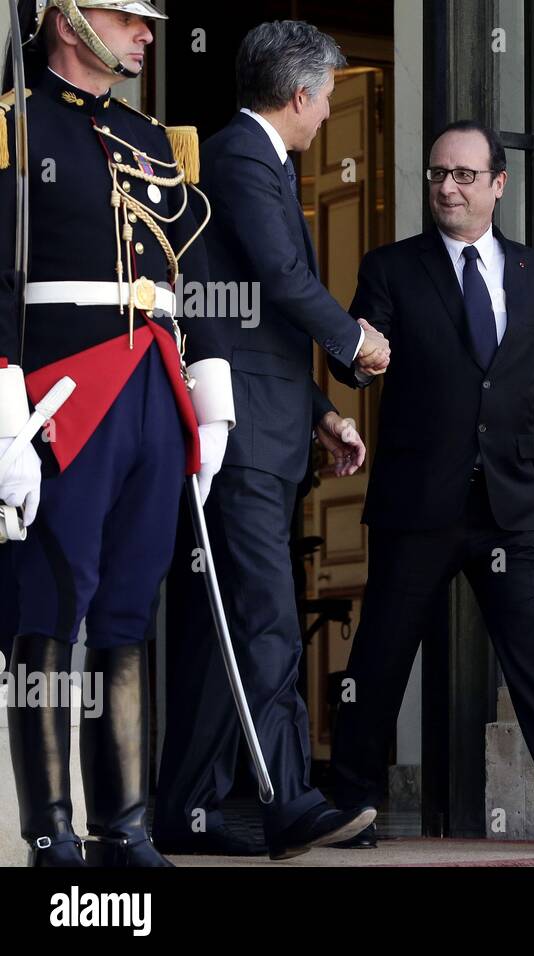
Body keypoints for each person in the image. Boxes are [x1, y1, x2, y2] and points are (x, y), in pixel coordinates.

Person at [328, 120, 534, 852]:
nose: (447, 186)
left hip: (510, 504)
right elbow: (355, 355)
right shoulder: (391, 267)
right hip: (419, 501)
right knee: (380, 658)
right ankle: (350, 805)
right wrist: (357, 360)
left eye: (465, 175)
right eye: (438, 173)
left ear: (498, 184)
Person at [0, 0, 231, 867]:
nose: (146, 32)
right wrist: (4, 421)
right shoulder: (13, 125)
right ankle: (51, 832)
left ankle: (124, 826)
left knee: (129, 613)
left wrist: (211, 406)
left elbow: (191, 274)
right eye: (126, 16)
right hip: (65, 392)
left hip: (153, 386)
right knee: (50, 607)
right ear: (67, 18)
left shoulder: (153, 136)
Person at [153, 20, 383, 861]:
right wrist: (355, 342)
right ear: (299, 95)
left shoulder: (256, 161)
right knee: (266, 623)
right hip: (240, 435)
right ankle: (289, 801)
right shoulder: (245, 158)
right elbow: (286, 283)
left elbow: (255, 320)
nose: (328, 113)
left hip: (266, 424)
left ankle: (190, 809)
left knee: (235, 627)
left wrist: (322, 410)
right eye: (325, 96)